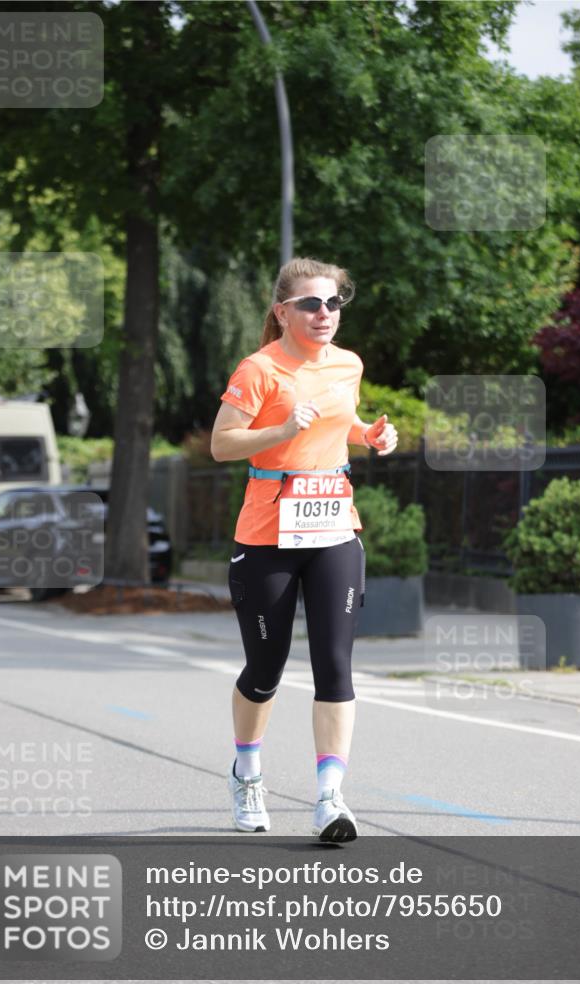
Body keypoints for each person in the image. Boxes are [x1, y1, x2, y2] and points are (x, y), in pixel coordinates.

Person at [210, 257, 398, 842]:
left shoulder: (348, 364)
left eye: (333, 303)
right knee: (265, 669)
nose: (324, 314)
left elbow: (340, 422)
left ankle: (329, 798)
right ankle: (247, 772)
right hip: (267, 534)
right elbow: (221, 444)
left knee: (335, 667)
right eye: (311, 304)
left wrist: (369, 434)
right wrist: (282, 430)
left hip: (334, 527)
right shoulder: (259, 369)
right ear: (282, 312)